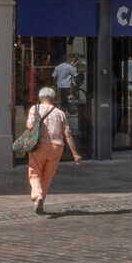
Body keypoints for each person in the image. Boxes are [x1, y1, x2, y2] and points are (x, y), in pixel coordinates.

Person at [23, 86, 81, 214]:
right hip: (57, 146)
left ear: (40, 97)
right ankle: (41, 203)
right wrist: (75, 153)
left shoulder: (35, 108)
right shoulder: (60, 113)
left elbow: (30, 125)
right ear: (53, 99)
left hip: (39, 145)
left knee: (34, 173)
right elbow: (68, 133)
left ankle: (37, 196)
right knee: (47, 177)